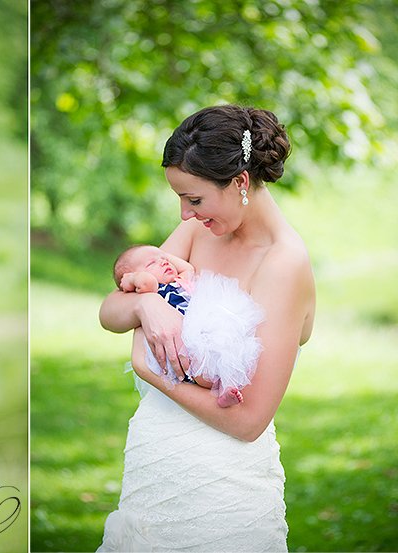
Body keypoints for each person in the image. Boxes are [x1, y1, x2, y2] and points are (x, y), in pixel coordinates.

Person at [97, 105, 315, 551]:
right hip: (151, 465)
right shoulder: (202, 234)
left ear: (239, 183)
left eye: (193, 199)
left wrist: (153, 373)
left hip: (220, 487)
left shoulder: (284, 265)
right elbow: (110, 310)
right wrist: (146, 309)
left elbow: (249, 421)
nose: (183, 215)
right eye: (179, 198)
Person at [111, 245, 262, 407]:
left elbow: (188, 267)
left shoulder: (181, 280)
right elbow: (146, 281)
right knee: (199, 368)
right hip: (184, 341)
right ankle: (221, 392)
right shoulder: (152, 290)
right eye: (151, 264)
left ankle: (227, 386)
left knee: (229, 354)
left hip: (205, 330)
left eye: (163, 259)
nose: (163, 262)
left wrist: (161, 255)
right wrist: (133, 278)